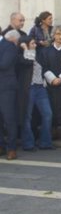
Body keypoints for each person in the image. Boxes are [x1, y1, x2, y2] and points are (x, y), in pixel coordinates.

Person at [20, 36, 54, 151]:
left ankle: (45, 142)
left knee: (47, 114)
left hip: (40, 88)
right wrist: (26, 49)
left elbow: (44, 69)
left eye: (35, 43)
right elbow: (28, 62)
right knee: (27, 116)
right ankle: (28, 144)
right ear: (26, 44)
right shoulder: (22, 56)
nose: (35, 45)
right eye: (32, 43)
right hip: (29, 88)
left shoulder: (38, 55)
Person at [41, 26, 61, 129]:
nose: (60, 37)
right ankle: (54, 126)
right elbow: (44, 66)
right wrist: (52, 79)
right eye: (58, 34)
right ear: (53, 35)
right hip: (51, 85)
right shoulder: (46, 51)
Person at [0, 30, 20, 160]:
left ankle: (12, 148)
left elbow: (4, 64)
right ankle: (1, 146)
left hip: (6, 88)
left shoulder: (9, 46)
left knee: (9, 119)